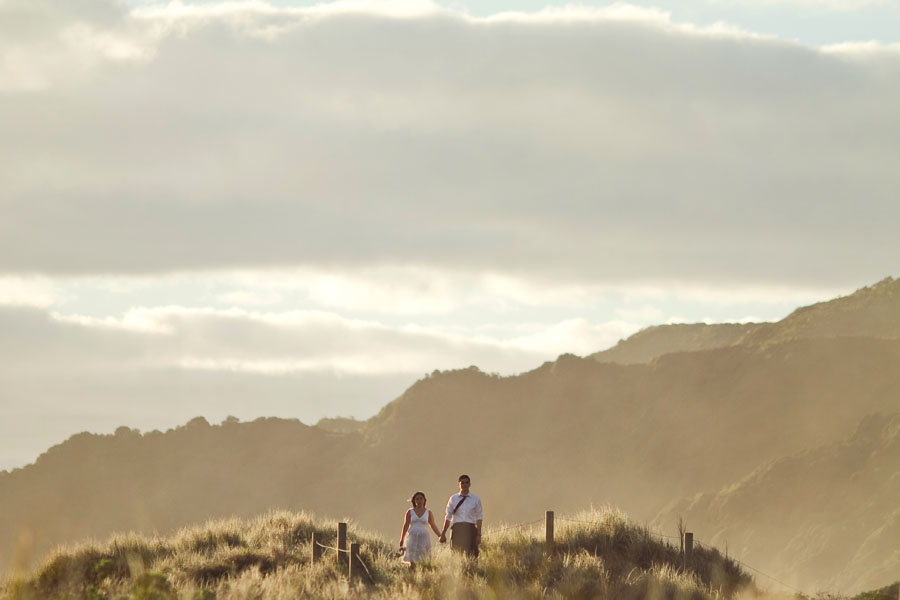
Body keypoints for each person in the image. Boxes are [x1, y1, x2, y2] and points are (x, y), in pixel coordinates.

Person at [439, 474, 483, 556]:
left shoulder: (475, 499)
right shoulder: (453, 498)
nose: (464, 484)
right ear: (459, 484)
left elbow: (479, 517)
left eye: (466, 482)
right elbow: (448, 517)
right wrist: (443, 533)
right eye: (462, 483)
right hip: (457, 529)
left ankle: (472, 569)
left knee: (472, 555)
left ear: (470, 484)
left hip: (470, 528)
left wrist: (479, 534)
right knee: (456, 554)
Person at [398, 491, 442, 564]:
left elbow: (433, 525)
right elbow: (405, 525)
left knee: (423, 557)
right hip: (412, 536)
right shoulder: (410, 512)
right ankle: (412, 571)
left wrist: (440, 536)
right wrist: (402, 538)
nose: (419, 500)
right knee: (412, 557)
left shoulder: (428, 512)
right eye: (417, 499)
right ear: (414, 501)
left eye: (421, 498)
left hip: (424, 536)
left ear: (424, 500)